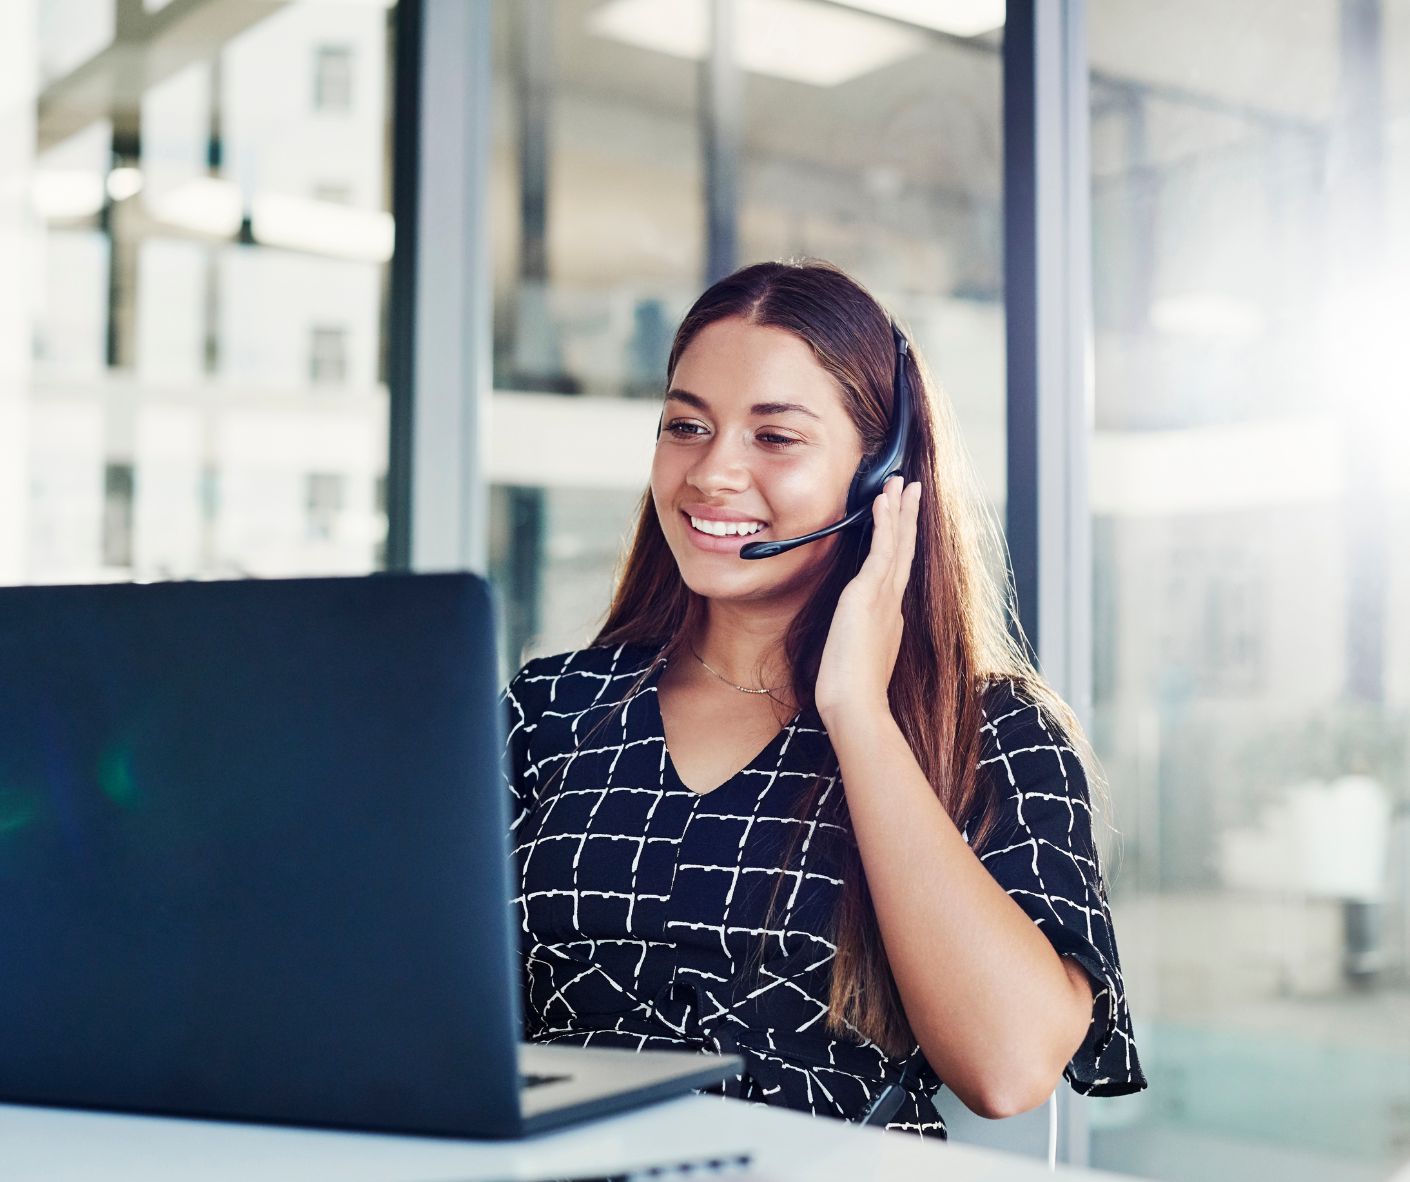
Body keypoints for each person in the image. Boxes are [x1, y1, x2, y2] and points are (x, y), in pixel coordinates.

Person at [501, 259, 1147, 1138]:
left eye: (775, 438)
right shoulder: (548, 715)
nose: (711, 475)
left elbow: (1010, 1067)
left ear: (878, 475)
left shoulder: (990, 732)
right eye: (686, 425)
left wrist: (858, 714)